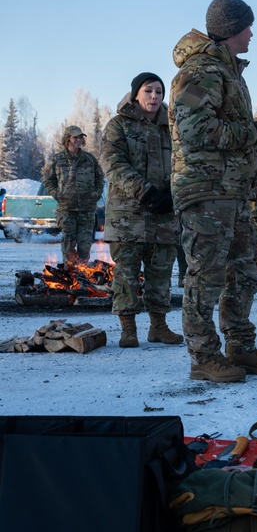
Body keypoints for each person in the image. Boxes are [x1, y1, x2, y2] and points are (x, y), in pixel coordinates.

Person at [169, 0, 257, 382]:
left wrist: (255, 159)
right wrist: (251, 133)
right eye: (247, 26)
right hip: (205, 192)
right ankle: (204, 357)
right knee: (206, 275)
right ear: (231, 29)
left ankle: (240, 346)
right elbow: (196, 130)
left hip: (231, 190)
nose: (252, 33)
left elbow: (223, 132)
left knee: (243, 270)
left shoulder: (229, 71)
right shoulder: (201, 70)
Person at [101, 72, 182, 348]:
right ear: (136, 94)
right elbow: (114, 165)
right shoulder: (119, 126)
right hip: (128, 217)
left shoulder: (173, 127)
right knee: (126, 275)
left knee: (161, 273)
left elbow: (184, 162)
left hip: (164, 214)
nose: (154, 97)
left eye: (159, 92)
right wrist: (145, 191)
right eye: (148, 91)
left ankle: (158, 326)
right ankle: (128, 328)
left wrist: (172, 193)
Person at [42, 125, 105, 264]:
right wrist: (58, 194)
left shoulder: (89, 159)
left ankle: (82, 277)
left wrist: (95, 194)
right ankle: (69, 276)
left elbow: (100, 178)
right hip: (67, 209)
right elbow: (47, 179)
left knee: (85, 245)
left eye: (80, 137)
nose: (79, 140)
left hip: (87, 209)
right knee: (68, 245)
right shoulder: (57, 160)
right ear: (67, 139)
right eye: (75, 137)